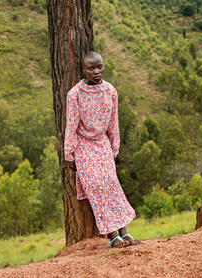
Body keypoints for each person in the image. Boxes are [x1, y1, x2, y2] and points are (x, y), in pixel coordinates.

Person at [64, 51, 140, 248]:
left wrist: (114, 146)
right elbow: (71, 125)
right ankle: (112, 236)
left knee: (111, 185)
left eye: (100, 67)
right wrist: (69, 153)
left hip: (103, 144)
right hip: (83, 147)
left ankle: (124, 232)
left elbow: (113, 122)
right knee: (97, 189)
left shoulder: (110, 91)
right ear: (83, 70)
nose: (96, 72)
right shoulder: (75, 95)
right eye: (91, 68)